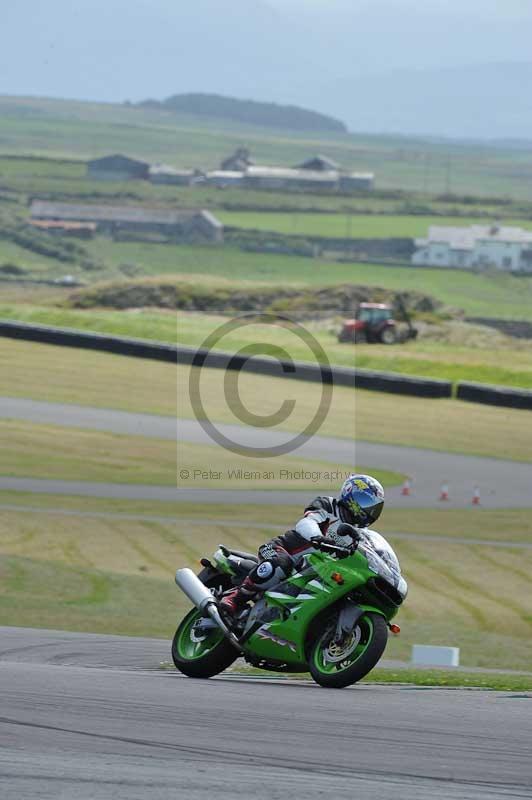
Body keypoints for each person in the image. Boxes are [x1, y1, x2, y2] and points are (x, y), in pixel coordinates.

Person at [220, 473, 385, 616]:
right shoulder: (328, 506)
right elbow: (306, 523)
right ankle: (236, 596)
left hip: (310, 571)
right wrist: (318, 537)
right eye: (365, 502)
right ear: (351, 494)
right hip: (278, 549)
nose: (369, 511)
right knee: (281, 564)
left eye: (374, 507)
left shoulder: (359, 537)